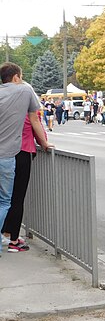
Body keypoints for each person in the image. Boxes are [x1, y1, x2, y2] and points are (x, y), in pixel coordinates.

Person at [0, 63, 50, 257]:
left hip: (10, 152)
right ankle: (10, 238)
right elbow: (35, 121)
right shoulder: (25, 92)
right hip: (14, 152)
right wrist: (45, 143)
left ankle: (8, 237)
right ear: (16, 77)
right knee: (12, 199)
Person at [2, 111, 49, 251]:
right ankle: (14, 240)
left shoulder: (7, 110)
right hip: (23, 152)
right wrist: (45, 143)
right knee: (17, 197)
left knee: (5, 198)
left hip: (4, 154)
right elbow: (41, 136)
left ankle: (5, 233)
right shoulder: (32, 113)